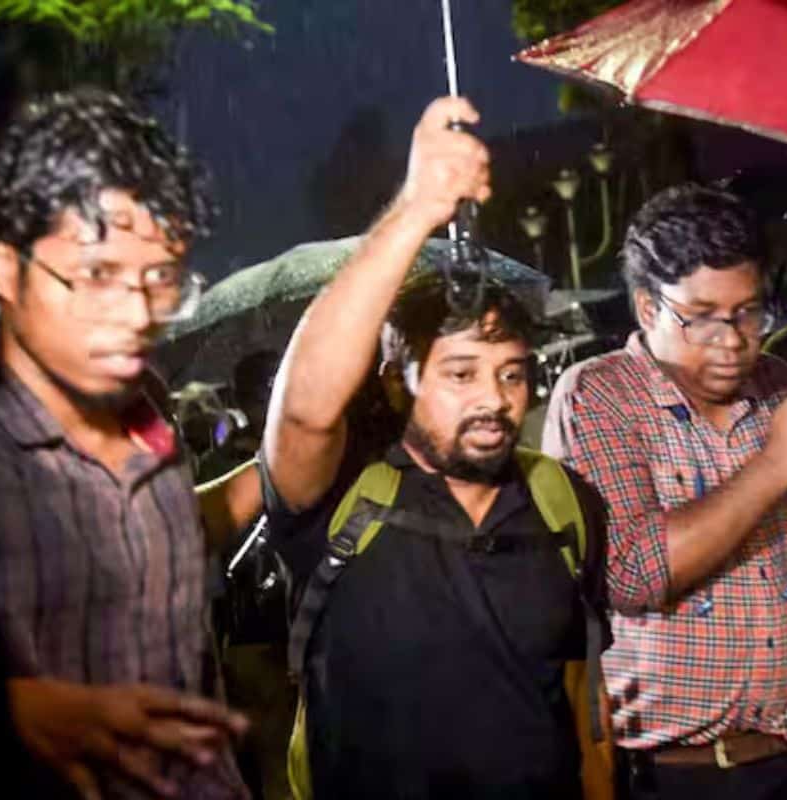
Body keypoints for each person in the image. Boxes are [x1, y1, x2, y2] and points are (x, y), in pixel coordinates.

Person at [260, 96, 610, 800]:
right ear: (397, 382)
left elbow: (580, 704)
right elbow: (302, 412)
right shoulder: (340, 501)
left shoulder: (564, 506)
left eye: (512, 373)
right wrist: (418, 208)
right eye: (459, 373)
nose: (493, 398)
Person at [543, 184, 787, 800]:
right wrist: (776, 463)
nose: (733, 340)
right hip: (680, 775)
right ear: (648, 308)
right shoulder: (598, 396)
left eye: (750, 312)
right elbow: (634, 574)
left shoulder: (781, 385)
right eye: (703, 317)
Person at [0, 88, 251, 798]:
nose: (136, 316)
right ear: (5, 270)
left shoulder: (147, 411)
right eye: (98, 275)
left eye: (160, 281)